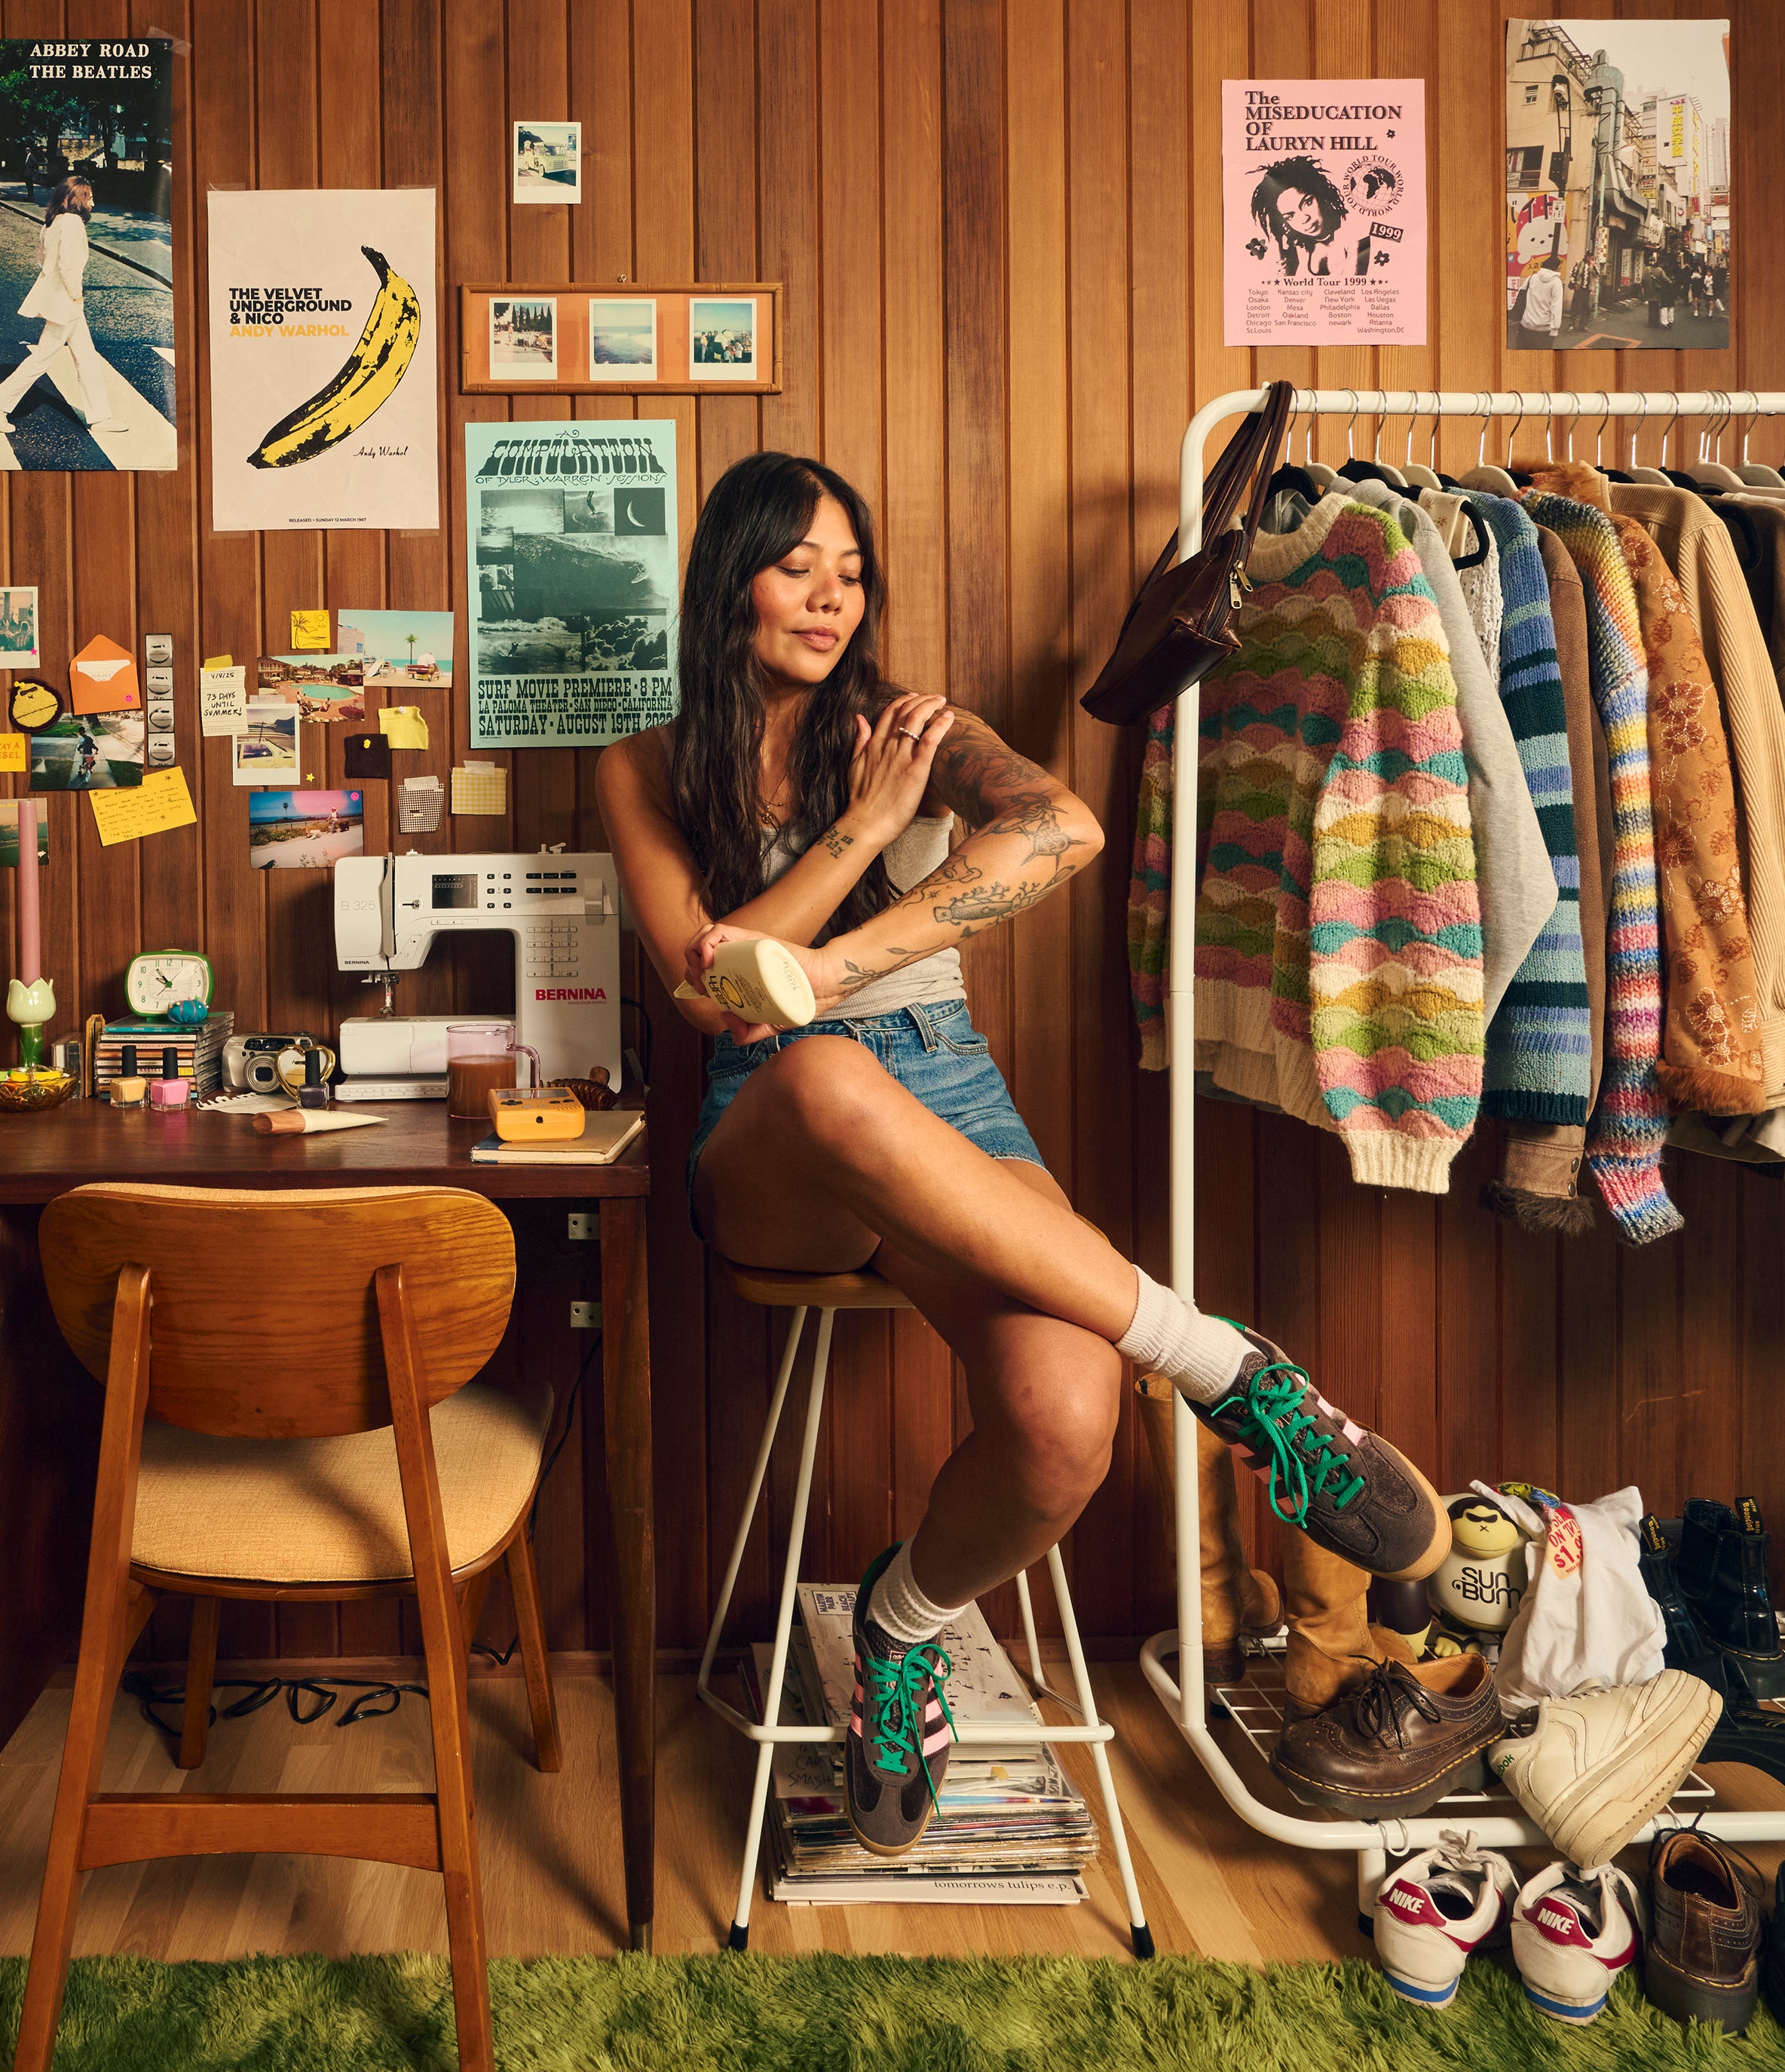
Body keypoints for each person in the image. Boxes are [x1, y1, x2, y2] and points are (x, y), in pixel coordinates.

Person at [596, 452, 1450, 1859]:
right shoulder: (643, 757)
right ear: (727, 575)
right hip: (773, 1129)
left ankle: (900, 1625)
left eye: (853, 569)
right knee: (819, 1066)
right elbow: (707, 992)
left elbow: (1063, 824)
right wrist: (866, 832)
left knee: (1065, 1425)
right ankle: (1229, 1368)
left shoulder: (924, 725)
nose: (832, 594)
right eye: (797, 562)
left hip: (952, 1093)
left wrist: (836, 950)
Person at [0, 177, 125, 437]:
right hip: (66, 303)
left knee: (86, 358)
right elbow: (69, 266)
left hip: (62, 301)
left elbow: (42, 257)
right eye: (89, 197)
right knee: (43, 358)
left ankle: (100, 418)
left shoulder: (55, 221)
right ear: (78, 200)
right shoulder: (72, 224)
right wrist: (76, 295)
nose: (93, 202)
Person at [1248, 155, 1350, 277]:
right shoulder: (1298, 254)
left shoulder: (1351, 234)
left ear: (1321, 195)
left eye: (1307, 203)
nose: (1304, 219)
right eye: (1290, 216)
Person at [1518, 256, 1563, 348]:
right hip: (1544, 331)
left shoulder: (1532, 278)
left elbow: (1521, 295)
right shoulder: (1556, 283)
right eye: (1559, 267)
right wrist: (1555, 329)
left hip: (1526, 326)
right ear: (1556, 268)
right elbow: (1556, 307)